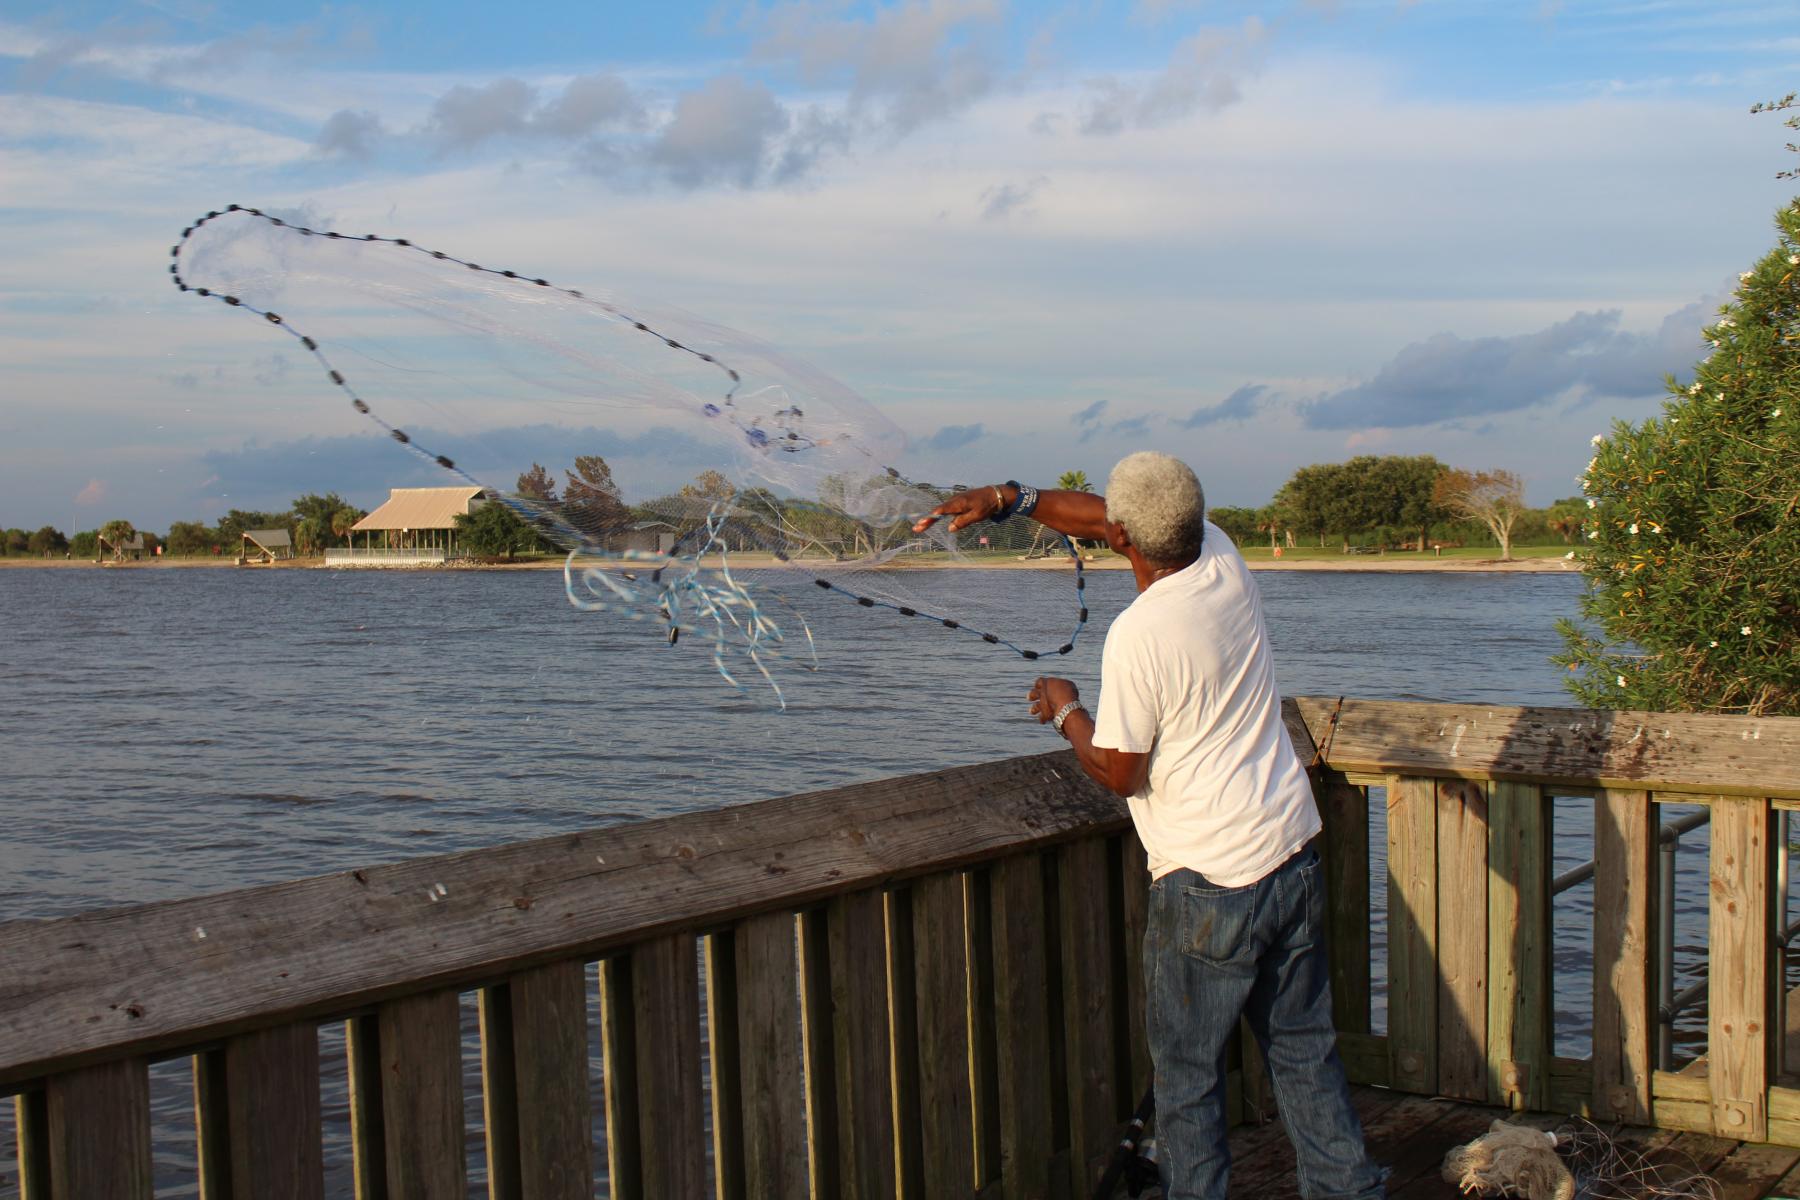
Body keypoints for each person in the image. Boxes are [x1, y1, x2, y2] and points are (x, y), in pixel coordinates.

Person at [915, 452, 1385, 1200]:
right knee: (1304, 1052)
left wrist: (1068, 710)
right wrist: (1009, 498)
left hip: (1209, 885)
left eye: (1111, 523)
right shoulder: (1222, 555)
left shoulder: (1142, 635)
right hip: (1290, 849)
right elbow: (1100, 516)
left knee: (1190, 1082)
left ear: (1122, 536)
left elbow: (1119, 773)